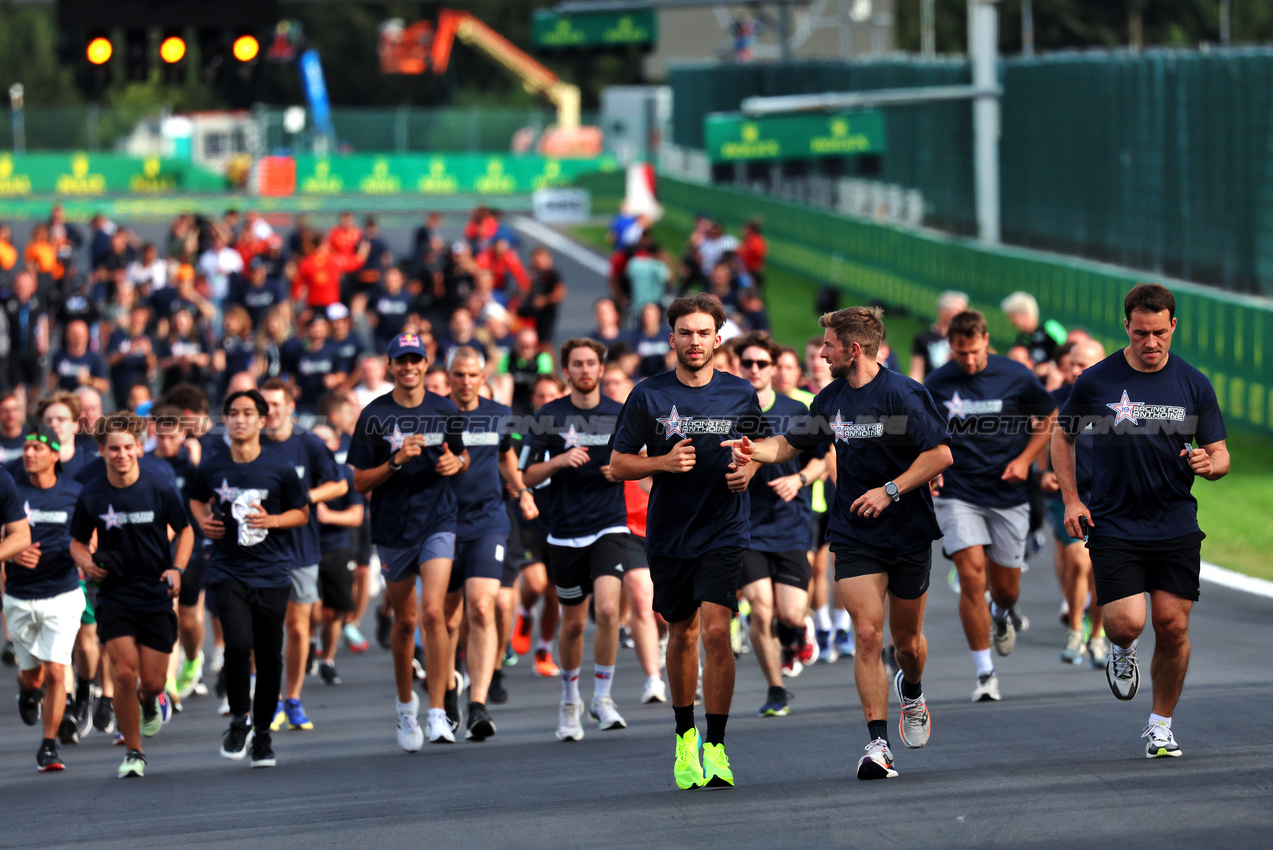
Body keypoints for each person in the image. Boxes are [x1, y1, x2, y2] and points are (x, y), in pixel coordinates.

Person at [728, 307, 953, 781]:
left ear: (853, 348)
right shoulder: (830, 398)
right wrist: (755, 451)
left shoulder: (904, 394)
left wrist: (891, 490)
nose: (821, 353)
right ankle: (877, 745)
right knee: (868, 634)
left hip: (908, 529)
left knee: (907, 642)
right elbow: (790, 446)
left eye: (828, 345)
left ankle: (911, 691)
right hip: (854, 530)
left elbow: (940, 454)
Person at [1052, 283, 1229, 759]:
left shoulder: (1194, 383)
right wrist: (1072, 500)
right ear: (1126, 327)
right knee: (1127, 624)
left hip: (1174, 522)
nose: (1150, 343)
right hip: (1114, 523)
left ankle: (1160, 725)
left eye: (1159, 333)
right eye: (1140, 333)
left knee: (1172, 627)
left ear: (1173, 326)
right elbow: (1062, 438)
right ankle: (1121, 650)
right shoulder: (1097, 380)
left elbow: (1220, 454)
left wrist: (1211, 466)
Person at [609, 293, 768, 790]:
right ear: (672, 338)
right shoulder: (648, 395)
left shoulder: (740, 393)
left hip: (725, 526)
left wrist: (749, 469)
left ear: (718, 339)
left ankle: (716, 745)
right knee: (683, 633)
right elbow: (617, 465)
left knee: (718, 631)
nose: (695, 341)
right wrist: (660, 463)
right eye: (686, 332)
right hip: (670, 531)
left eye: (704, 333)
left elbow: (758, 447)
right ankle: (685, 737)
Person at [924, 310, 1057, 702]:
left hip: (1008, 494)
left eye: (975, 351)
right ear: (952, 346)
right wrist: (931, 468)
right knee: (970, 576)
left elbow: (1050, 415)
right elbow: (922, 430)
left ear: (986, 340)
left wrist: (1027, 459)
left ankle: (1001, 614)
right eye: (961, 353)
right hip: (958, 494)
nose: (968, 360)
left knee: (1006, 589)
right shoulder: (938, 382)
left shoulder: (1014, 374)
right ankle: (985, 673)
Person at [349, 333, 469, 749]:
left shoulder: (443, 407)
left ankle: (438, 710)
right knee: (405, 620)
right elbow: (360, 479)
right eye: (402, 360)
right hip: (393, 526)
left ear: (425, 363)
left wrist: (457, 462)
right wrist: (396, 461)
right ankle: (406, 709)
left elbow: (462, 454)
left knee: (433, 614)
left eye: (416, 359)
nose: (409, 367)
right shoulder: (373, 415)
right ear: (390, 365)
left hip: (438, 519)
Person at [189, 390, 310, 768]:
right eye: (233, 414)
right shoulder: (211, 466)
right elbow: (194, 499)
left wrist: (273, 520)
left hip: (271, 571)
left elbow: (301, 513)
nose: (240, 420)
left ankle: (262, 734)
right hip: (228, 569)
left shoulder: (280, 467)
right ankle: (239, 720)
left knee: (270, 654)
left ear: (262, 420)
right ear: (225, 420)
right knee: (238, 645)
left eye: (248, 413)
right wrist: (203, 521)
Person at [69, 413, 193, 778]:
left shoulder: (160, 487)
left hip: (155, 592)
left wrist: (177, 569)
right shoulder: (92, 495)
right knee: (124, 673)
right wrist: (87, 563)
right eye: (113, 449)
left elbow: (185, 531)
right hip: (114, 595)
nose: (121, 455)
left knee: (152, 681)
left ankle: (150, 701)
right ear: (102, 452)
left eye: (127, 448)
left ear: (139, 448)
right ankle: (134, 751)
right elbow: (76, 541)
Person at [524, 338, 632, 741]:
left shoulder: (620, 414)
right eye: (577, 365)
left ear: (602, 370)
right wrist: (558, 461)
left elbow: (639, 462)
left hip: (610, 524)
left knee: (606, 610)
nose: (585, 370)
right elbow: (525, 476)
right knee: (571, 625)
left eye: (591, 363)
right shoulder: (549, 416)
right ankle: (570, 700)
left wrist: (621, 471)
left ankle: (603, 697)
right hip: (565, 531)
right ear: (565, 371)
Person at [446, 346, 538, 740]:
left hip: (488, 521)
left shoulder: (499, 415)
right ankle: (447, 691)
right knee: (446, 619)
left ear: (484, 377)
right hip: (441, 525)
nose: (466, 382)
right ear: (449, 377)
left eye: (473, 374)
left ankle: (477, 705)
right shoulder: (433, 414)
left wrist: (522, 491)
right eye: (459, 375)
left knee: (482, 607)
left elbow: (506, 460)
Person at [734, 333, 828, 714]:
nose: (754, 369)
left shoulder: (798, 410)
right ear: (739, 367)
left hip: (790, 526)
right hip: (746, 526)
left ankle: (794, 633)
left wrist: (799, 479)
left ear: (773, 368)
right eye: (748, 363)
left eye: (761, 363)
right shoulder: (727, 410)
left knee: (789, 614)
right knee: (761, 609)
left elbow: (824, 459)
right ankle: (775, 688)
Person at [258, 378, 348, 732]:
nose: (270, 411)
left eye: (276, 404)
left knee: (296, 627)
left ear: (290, 407)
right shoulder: (250, 444)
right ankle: (268, 698)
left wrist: (303, 498)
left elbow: (339, 484)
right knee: (262, 630)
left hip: (300, 547)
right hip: (258, 549)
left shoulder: (308, 444)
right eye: (264, 405)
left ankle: (292, 698)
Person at [1040, 339, 1108, 667]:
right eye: (1072, 363)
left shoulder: (1117, 400)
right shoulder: (1055, 399)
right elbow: (1041, 438)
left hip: (1108, 498)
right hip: (1067, 496)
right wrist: (1043, 472)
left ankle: (1098, 635)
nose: (1076, 370)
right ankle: (1075, 630)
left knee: (1100, 570)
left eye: (1085, 364)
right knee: (1079, 563)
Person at [309, 424, 364, 685]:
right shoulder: (299, 474)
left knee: (332, 612)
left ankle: (327, 660)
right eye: (315, 439)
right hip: (305, 549)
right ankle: (308, 640)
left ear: (334, 444)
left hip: (337, 547)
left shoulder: (345, 475)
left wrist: (329, 516)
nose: (320, 444)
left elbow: (356, 516)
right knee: (308, 607)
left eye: (325, 440)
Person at [909, 291, 968, 382]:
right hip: (935, 386)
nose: (964, 316)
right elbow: (917, 372)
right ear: (943, 312)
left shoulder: (968, 336)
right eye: (958, 311)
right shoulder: (924, 338)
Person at [49, 320, 109, 396]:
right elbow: (52, 378)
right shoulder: (59, 356)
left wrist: (89, 381)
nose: (78, 339)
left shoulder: (94, 359)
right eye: (75, 335)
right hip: (65, 397)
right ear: (67, 336)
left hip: (85, 399)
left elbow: (105, 386)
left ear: (87, 336)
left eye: (81, 335)